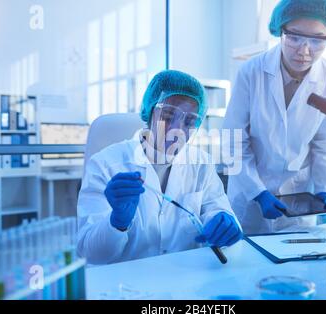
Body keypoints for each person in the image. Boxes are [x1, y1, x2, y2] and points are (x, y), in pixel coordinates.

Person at [77, 70, 243, 264]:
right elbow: (90, 254)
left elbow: (220, 213)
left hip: (186, 282)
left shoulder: (201, 164)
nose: (176, 129)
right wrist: (117, 222)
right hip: (126, 287)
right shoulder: (105, 164)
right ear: (149, 113)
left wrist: (224, 225)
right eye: (168, 115)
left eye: (189, 121)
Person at [223, 0, 326, 234]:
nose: (304, 50)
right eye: (295, 37)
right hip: (249, 200)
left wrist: (324, 190)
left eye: (317, 39)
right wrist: (258, 192)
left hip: (299, 202)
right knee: (247, 264)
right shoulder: (252, 71)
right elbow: (233, 140)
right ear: (280, 31)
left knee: (296, 267)